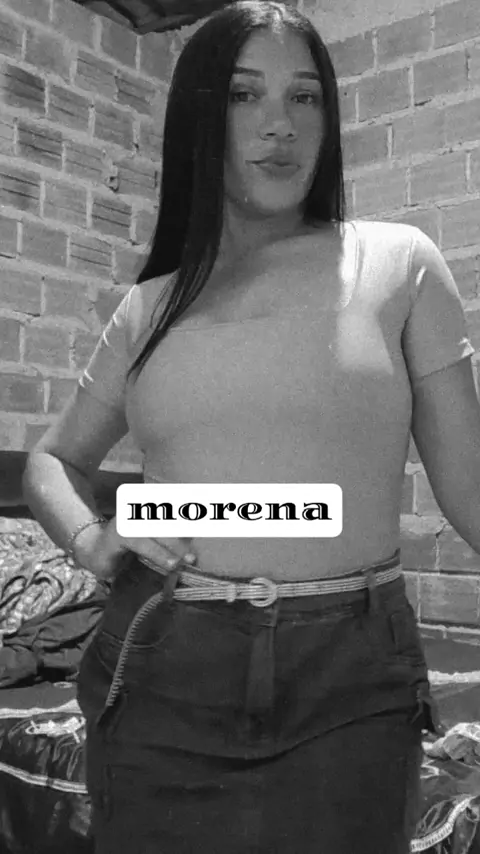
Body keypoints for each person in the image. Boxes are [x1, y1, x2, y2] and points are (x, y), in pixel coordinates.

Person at [22, 1, 480, 852]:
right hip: (162, 661)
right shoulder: (147, 307)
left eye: (305, 97)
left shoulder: (398, 264)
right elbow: (51, 461)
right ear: (201, 115)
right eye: (245, 95)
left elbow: (474, 493)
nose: (281, 125)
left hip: (349, 675)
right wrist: (93, 541)